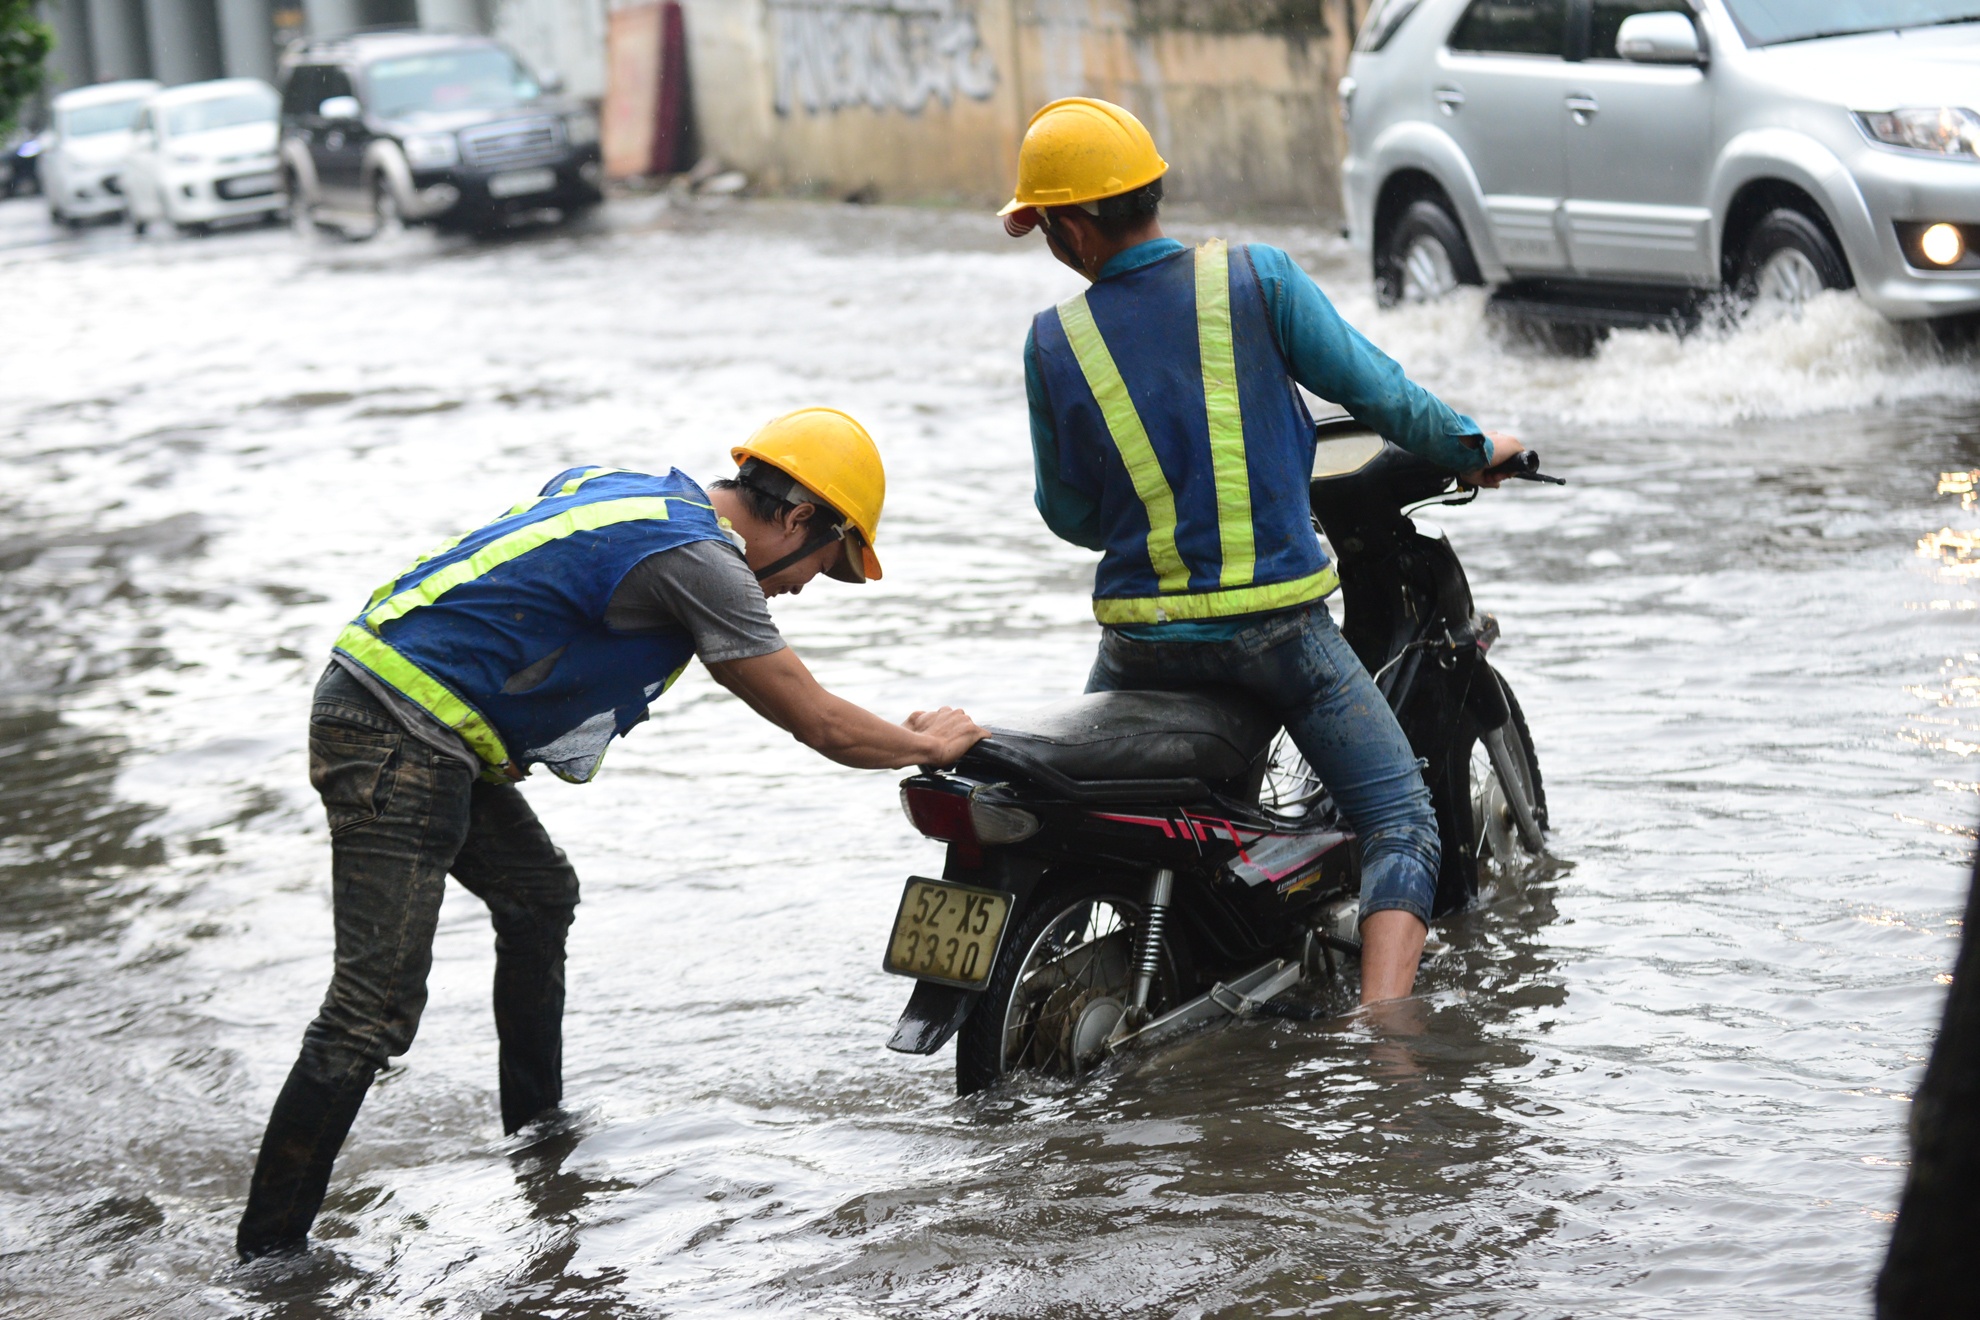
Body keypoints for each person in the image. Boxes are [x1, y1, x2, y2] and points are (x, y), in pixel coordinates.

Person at [236, 407, 986, 1261]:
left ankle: (538, 1133)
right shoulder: (702, 563)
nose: (805, 587)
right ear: (801, 517)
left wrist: (501, 704)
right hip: (398, 733)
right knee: (371, 1010)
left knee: (538, 896)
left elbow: (524, 584)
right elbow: (819, 724)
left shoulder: (632, 495)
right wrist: (929, 743)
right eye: (824, 566)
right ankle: (270, 1258)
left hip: (411, 717)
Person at [999, 98, 1524, 1009]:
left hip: (1137, 640)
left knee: (1102, 822)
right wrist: (1475, 449)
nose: (1048, 240)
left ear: (1077, 226)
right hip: (1275, 632)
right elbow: (1382, 394)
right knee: (1402, 818)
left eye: (1045, 222)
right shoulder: (1257, 278)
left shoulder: (1055, 341)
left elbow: (1069, 512)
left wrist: (1153, 515)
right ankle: (1390, 1042)